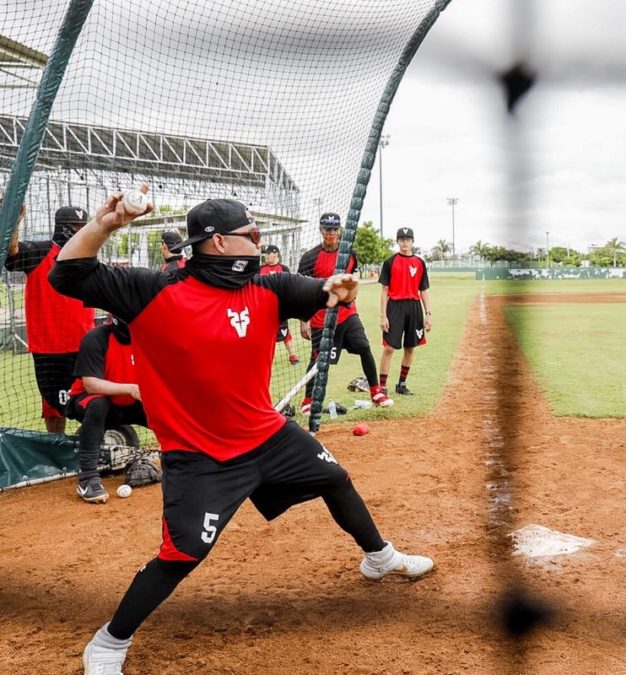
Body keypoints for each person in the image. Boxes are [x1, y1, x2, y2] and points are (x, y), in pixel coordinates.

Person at [49, 192, 433, 674]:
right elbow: (66, 275)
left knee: (335, 479)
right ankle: (109, 643)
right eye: (250, 234)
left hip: (266, 433)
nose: (258, 241)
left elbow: (321, 291)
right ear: (218, 243)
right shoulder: (154, 289)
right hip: (200, 454)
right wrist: (104, 225)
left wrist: (341, 287)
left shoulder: (269, 288)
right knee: (183, 553)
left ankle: (379, 557)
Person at [4, 204, 95, 435]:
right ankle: (56, 451)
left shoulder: (87, 256)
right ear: (62, 228)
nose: (80, 232)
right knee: (53, 408)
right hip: (49, 349)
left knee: (94, 403)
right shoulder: (39, 251)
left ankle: (95, 448)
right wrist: (14, 218)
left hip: (84, 346)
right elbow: (12, 250)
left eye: (82, 227)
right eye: (75, 228)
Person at [297, 212, 391, 411]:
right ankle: (308, 401)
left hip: (347, 314)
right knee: (318, 362)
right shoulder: (309, 258)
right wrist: (303, 320)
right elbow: (301, 292)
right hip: (320, 319)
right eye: (327, 229)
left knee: (364, 347)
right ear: (321, 230)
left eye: (334, 229)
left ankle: (376, 391)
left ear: (340, 230)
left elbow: (351, 280)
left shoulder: (350, 254)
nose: (331, 233)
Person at [65, 318, 147, 504]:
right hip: (90, 400)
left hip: (131, 401)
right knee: (98, 404)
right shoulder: (96, 338)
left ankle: (182, 462)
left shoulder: (149, 339)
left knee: (166, 407)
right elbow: (91, 384)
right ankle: (87, 478)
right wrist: (131, 388)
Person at [378, 227, 431, 396]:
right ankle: (382, 388)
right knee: (389, 348)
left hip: (414, 307)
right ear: (397, 241)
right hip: (395, 306)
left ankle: (401, 384)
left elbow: (423, 290)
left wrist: (428, 314)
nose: (405, 242)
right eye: (401, 239)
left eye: (408, 239)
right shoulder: (389, 262)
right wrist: (383, 315)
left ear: (412, 241)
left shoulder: (420, 263)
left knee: (410, 348)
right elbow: (384, 290)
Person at [260, 244, 300, 365]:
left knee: (284, 331)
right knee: (265, 333)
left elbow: (290, 286)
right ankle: (266, 357)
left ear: (276, 254)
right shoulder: (260, 269)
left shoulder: (284, 268)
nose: (266, 256)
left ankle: (293, 355)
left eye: (268, 254)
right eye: (265, 254)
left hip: (280, 306)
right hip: (265, 306)